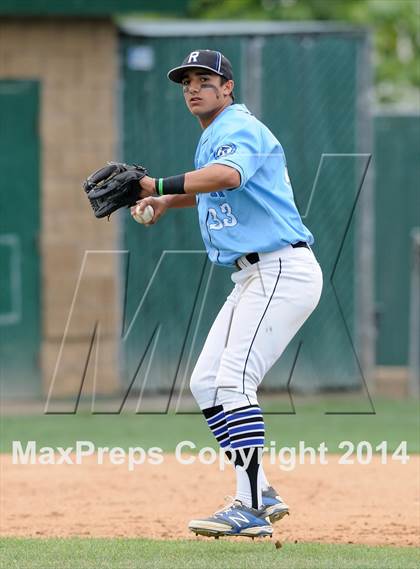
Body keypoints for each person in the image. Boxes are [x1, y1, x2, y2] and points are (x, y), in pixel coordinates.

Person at [132, 49, 323, 539]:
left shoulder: (239, 127)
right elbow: (215, 187)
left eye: (205, 79)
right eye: (187, 81)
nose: (193, 87)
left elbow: (229, 177)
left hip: (280, 268)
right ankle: (260, 491)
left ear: (228, 87)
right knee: (207, 381)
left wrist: (155, 181)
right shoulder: (215, 135)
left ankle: (251, 504)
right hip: (253, 276)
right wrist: (164, 199)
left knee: (235, 378)